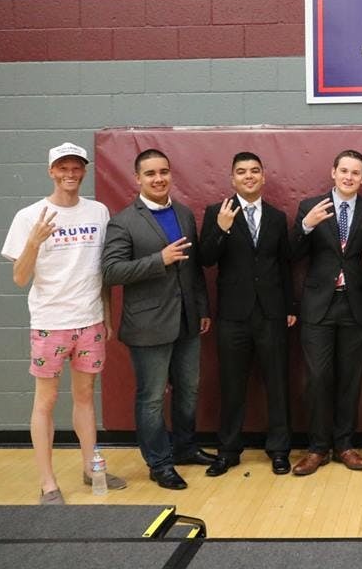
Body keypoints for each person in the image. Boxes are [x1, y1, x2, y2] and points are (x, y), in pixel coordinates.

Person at [1, 143, 127, 504]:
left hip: (89, 321)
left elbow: (102, 272)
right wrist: (34, 244)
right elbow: (19, 278)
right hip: (49, 324)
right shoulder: (30, 216)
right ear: (51, 171)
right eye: (62, 168)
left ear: (84, 171)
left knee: (86, 397)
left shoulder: (99, 212)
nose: (70, 173)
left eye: (76, 167)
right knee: (46, 401)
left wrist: (105, 314)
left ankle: (91, 469)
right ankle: (48, 483)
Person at [102, 148, 215, 490]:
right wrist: (159, 259)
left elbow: (193, 269)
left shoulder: (182, 212)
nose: (158, 178)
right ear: (137, 179)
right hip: (148, 326)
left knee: (188, 390)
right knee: (151, 397)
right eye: (150, 173)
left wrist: (202, 308)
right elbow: (111, 271)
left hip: (187, 321)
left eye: (163, 171)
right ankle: (159, 462)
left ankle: (183, 448)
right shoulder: (123, 221)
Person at [199, 152, 296, 477]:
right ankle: (228, 451)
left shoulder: (277, 216)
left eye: (255, 171)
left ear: (264, 177)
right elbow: (206, 258)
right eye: (241, 172)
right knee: (232, 384)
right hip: (233, 315)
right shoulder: (218, 212)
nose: (249, 176)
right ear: (232, 179)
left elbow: (284, 265)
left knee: (277, 383)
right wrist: (222, 229)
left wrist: (289, 307)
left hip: (271, 313)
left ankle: (280, 450)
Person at [291, 150, 362, 476]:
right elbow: (292, 252)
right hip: (319, 306)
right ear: (333, 172)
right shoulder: (311, 207)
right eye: (344, 170)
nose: (349, 177)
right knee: (316, 379)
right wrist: (306, 226)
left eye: (356, 173)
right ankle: (317, 448)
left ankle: (345, 445)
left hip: (355, 305)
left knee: (350, 379)